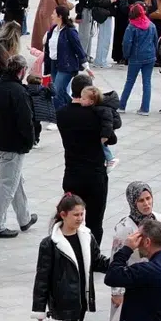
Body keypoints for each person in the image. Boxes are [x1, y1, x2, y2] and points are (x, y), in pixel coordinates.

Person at [32, 193, 111, 321]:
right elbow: (42, 277)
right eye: (76, 214)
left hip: (82, 298)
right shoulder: (50, 244)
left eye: (82, 214)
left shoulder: (86, 236)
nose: (80, 218)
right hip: (64, 299)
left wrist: (118, 262)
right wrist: (39, 308)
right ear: (63, 215)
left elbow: (97, 261)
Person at [0, 55, 38, 238]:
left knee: (15, 180)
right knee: (7, 185)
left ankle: (24, 218)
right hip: (12, 145)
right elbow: (26, 121)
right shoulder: (18, 91)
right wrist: (29, 142)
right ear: (21, 71)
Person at [55, 76, 112, 245]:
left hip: (72, 173)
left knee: (71, 220)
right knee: (95, 220)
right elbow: (111, 138)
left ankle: (70, 253)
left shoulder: (62, 114)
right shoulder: (96, 114)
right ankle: (92, 257)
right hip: (95, 175)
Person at [119, 3, 159, 115]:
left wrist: (126, 55)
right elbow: (155, 40)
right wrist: (154, 53)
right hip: (150, 56)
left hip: (135, 57)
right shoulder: (151, 25)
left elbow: (126, 43)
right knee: (147, 82)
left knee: (130, 81)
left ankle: (122, 105)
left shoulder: (131, 27)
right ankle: (145, 108)